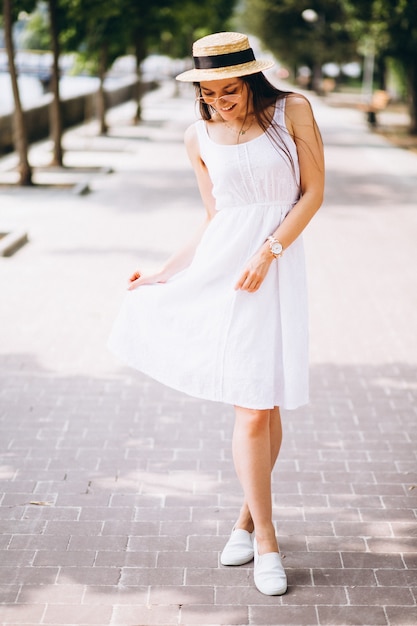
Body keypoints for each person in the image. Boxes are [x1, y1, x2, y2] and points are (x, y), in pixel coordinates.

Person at [108, 31, 324, 596]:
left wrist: (269, 251)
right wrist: (163, 272)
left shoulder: (292, 112)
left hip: (273, 267)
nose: (219, 103)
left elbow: (313, 193)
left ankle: (247, 521)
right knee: (253, 409)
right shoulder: (196, 136)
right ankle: (267, 539)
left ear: (252, 80)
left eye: (229, 91)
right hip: (226, 276)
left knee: (266, 401)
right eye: (208, 94)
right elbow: (214, 219)